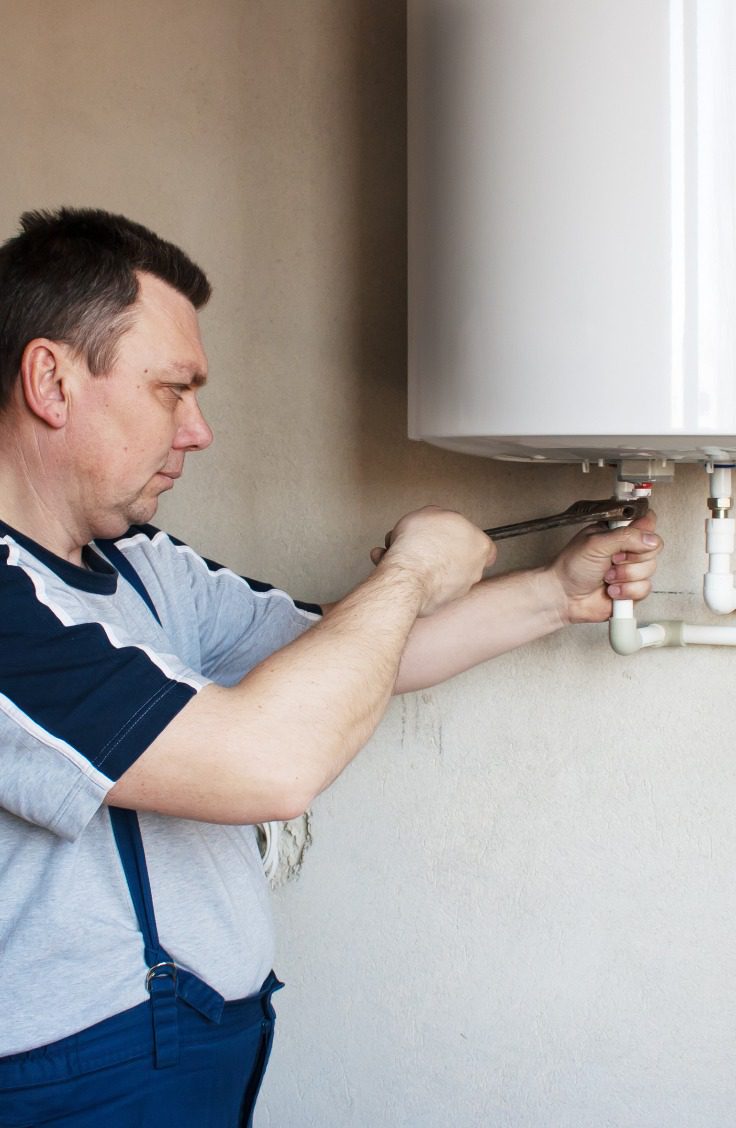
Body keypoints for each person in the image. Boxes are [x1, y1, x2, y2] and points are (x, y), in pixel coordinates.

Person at [0, 208, 662, 1127]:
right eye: (170, 390)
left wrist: (554, 593)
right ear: (51, 380)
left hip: (205, 1044)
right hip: (74, 1080)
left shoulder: (143, 564)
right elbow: (270, 764)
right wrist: (410, 570)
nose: (200, 430)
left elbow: (341, 658)